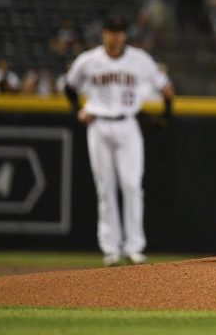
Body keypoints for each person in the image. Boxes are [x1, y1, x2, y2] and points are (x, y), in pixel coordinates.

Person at [64, 14, 174, 266]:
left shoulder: (140, 60)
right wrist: (77, 110)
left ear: (124, 34)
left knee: (132, 185)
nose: (115, 35)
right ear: (103, 33)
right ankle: (110, 248)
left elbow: (166, 87)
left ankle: (134, 247)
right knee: (105, 188)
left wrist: (167, 116)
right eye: (111, 31)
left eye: (120, 31)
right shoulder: (88, 61)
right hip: (98, 125)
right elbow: (69, 88)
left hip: (128, 124)